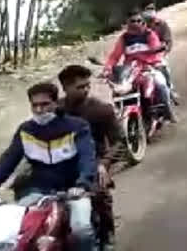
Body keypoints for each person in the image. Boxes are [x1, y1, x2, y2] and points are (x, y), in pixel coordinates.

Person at [0, 82, 97, 251]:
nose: (39, 110)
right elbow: (8, 160)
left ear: (55, 103)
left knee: (81, 230)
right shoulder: (26, 131)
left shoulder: (77, 126)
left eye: (45, 104)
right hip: (38, 190)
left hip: (73, 189)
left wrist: (82, 183)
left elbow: (87, 157)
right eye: (35, 105)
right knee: (18, 230)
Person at [58, 65, 124, 247]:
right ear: (65, 88)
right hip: (61, 160)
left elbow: (119, 141)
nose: (86, 90)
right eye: (80, 87)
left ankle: (107, 233)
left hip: (95, 160)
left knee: (100, 193)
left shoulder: (102, 110)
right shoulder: (56, 111)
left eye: (87, 85)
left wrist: (104, 163)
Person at [104, 9, 176, 124]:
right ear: (127, 22)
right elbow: (114, 56)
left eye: (139, 20)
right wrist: (108, 68)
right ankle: (123, 114)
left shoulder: (149, 34)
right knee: (118, 90)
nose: (136, 23)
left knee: (161, 85)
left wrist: (153, 57)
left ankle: (168, 113)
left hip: (148, 68)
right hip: (131, 71)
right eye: (133, 21)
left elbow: (156, 49)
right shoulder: (124, 39)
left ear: (143, 22)